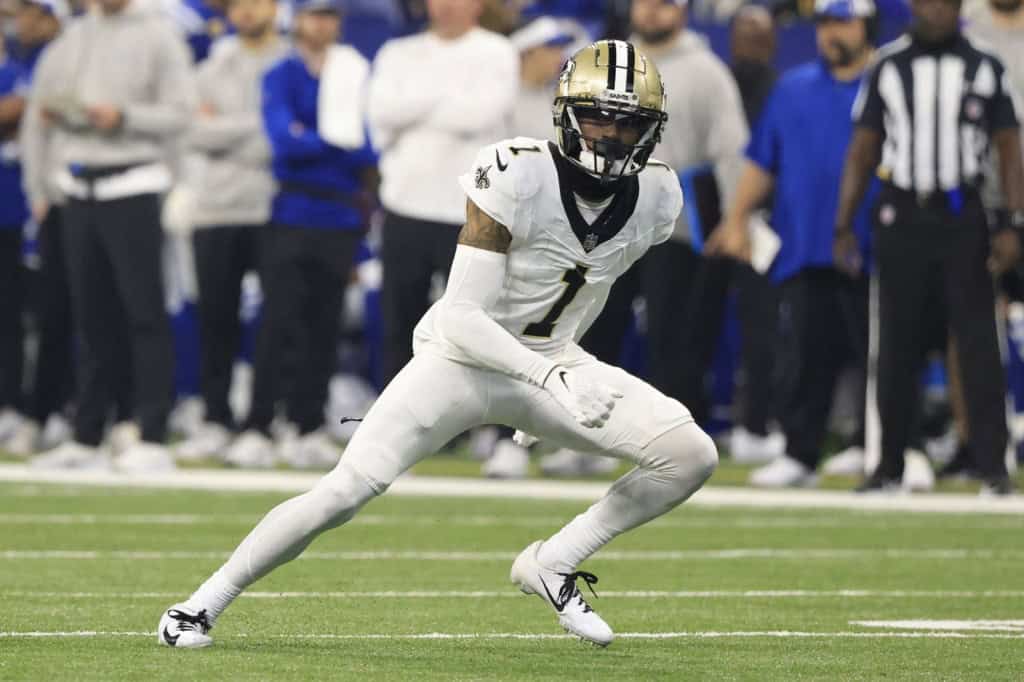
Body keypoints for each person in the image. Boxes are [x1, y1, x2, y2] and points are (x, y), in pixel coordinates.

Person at [157, 39, 717, 649]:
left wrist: (557, 373)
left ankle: (552, 562)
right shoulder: (516, 171)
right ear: (564, 113)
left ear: (652, 129)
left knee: (690, 455)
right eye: (598, 115)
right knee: (345, 492)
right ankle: (198, 605)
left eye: (628, 120)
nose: (610, 133)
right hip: (462, 360)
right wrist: (546, 379)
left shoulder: (659, 196)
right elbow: (461, 317)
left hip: (552, 360)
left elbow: (587, 286)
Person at [834, 0, 1023, 494]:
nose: (935, 10)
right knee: (895, 345)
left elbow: (1008, 145)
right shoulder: (888, 65)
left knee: (980, 345)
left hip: (964, 215)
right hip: (902, 215)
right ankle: (888, 465)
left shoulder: (985, 65)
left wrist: (1012, 224)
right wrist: (843, 223)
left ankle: (992, 466)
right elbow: (864, 144)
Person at [708, 0, 880, 487]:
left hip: (873, 246)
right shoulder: (792, 88)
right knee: (805, 356)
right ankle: (801, 454)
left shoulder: (886, 83)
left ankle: (878, 446)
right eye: (825, 23)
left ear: (866, 26)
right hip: (806, 244)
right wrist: (736, 217)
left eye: (843, 22)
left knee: (879, 355)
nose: (832, 34)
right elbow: (763, 162)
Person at [22, 0, 196, 471]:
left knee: (144, 313)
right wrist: (40, 183)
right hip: (77, 186)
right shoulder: (71, 37)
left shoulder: (158, 35)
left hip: (135, 183)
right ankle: (88, 433)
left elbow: (182, 114)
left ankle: (153, 433)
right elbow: (38, 112)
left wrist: (123, 116)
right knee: (91, 318)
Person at [225, 0, 378, 469]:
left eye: (331, 16)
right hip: (291, 211)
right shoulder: (281, 72)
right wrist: (336, 140)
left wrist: (317, 138)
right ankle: (258, 425)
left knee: (324, 325)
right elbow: (283, 141)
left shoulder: (353, 74)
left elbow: (368, 147)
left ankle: (307, 424)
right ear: (299, 21)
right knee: (277, 323)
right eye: (315, 14)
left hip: (338, 217)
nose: (324, 24)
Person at [367, 0, 518, 386]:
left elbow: (480, 115)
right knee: (400, 321)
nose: (447, 5)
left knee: (472, 326)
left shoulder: (498, 52)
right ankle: (393, 422)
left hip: (469, 212)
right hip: (404, 205)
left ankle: (474, 424)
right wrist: (447, 98)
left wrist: (414, 107)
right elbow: (380, 112)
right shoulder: (397, 52)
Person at [172, 0, 287, 462]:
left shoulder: (291, 64)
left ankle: (262, 422)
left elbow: (282, 142)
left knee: (276, 321)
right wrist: (260, 128)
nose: (247, 11)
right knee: (215, 319)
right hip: (216, 208)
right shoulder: (211, 65)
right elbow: (192, 132)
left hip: (275, 207)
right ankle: (215, 418)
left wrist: (226, 130)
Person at [0, 0, 72, 457]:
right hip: (29, 199)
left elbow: (24, 112)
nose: (18, 21)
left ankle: (23, 405)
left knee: (23, 313)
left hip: (21, 209)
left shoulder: (40, 61)